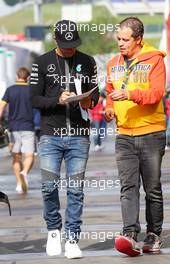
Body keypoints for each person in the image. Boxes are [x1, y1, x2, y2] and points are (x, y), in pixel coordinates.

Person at [30, 20, 99, 259]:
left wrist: (86, 100)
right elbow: (34, 100)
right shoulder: (41, 62)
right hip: (51, 135)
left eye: (73, 45)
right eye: (65, 45)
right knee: (49, 187)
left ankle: (71, 237)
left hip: (79, 136)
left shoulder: (88, 61)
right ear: (55, 41)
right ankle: (53, 230)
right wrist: (58, 100)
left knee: (75, 189)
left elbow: (95, 97)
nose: (70, 49)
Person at [105, 17, 166, 257]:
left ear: (138, 39)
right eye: (118, 38)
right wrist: (110, 108)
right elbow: (110, 92)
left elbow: (156, 93)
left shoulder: (154, 60)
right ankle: (129, 234)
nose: (120, 43)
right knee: (128, 186)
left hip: (151, 131)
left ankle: (153, 234)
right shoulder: (113, 63)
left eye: (125, 39)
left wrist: (130, 93)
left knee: (152, 188)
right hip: (124, 135)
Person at [0, 67, 35, 194]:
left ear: (16, 76)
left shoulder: (10, 90)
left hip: (13, 128)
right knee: (30, 155)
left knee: (16, 157)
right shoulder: (32, 90)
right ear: (28, 78)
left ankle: (19, 184)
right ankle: (24, 172)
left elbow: (1, 107)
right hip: (28, 127)